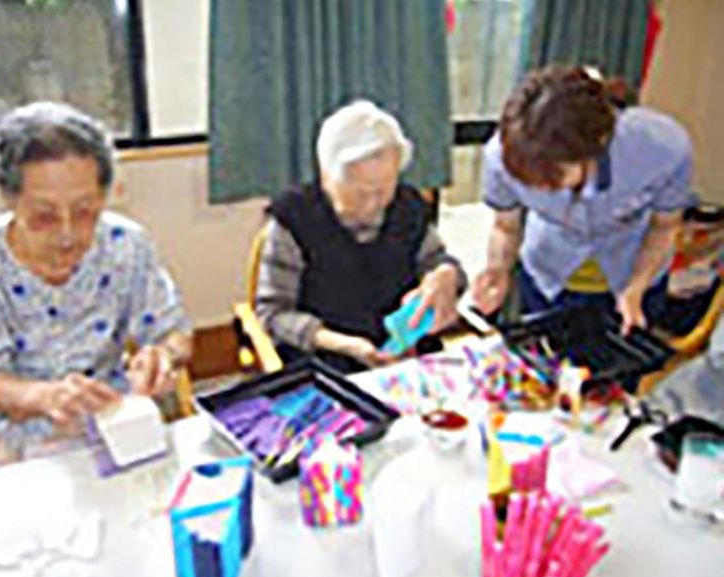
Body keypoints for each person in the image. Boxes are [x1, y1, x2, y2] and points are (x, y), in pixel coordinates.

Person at [0, 102, 191, 451]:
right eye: (44, 216)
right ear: (10, 199)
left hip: (109, 422)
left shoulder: (126, 245)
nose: (67, 234)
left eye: (85, 211)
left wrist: (162, 356)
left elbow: (173, 331)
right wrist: (44, 396)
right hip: (2, 438)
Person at [471, 66, 695, 334]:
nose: (542, 189)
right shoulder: (502, 156)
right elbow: (505, 226)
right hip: (549, 273)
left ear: (597, 145)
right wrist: (498, 269)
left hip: (633, 272)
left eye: (552, 178)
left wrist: (636, 288)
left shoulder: (661, 148)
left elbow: (664, 227)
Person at [255, 99, 466, 373]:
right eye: (363, 192)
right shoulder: (293, 219)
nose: (374, 204)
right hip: (325, 360)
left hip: (405, 355)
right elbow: (273, 314)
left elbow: (440, 264)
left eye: (385, 189)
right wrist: (346, 345)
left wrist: (446, 275)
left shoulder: (408, 207)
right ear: (328, 177)